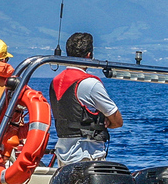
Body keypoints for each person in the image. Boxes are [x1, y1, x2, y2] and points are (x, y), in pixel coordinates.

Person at [50, 32, 122, 165]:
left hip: (63, 157)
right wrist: (104, 121)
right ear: (89, 55)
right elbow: (118, 121)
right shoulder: (90, 84)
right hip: (86, 156)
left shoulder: (55, 82)